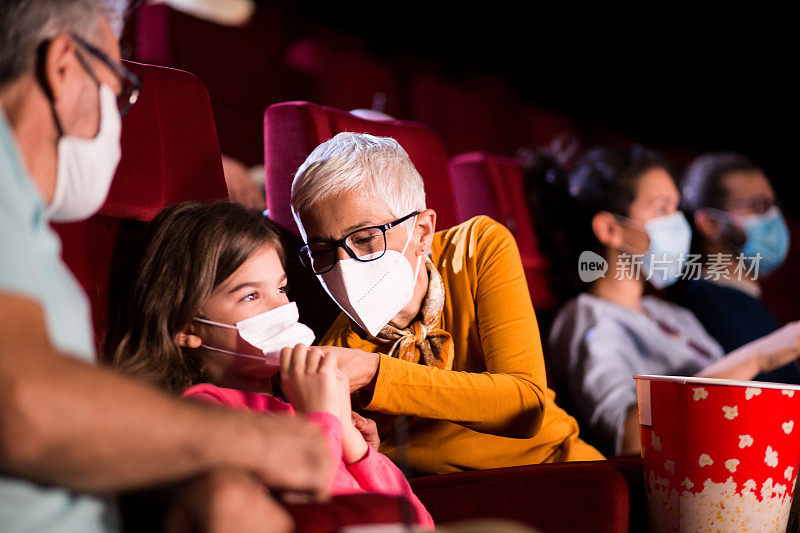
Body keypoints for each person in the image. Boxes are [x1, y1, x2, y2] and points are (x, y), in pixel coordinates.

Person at [0, 2, 331, 531]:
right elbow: (18, 402)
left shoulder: (28, 214)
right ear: (64, 65)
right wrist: (259, 441)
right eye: (118, 88)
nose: (119, 117)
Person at [289, 132, 604, 476]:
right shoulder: (333, 358)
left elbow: (525, 405)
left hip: (564, 464)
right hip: (463, 503)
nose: (345, 268)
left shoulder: (476, 249)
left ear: (422, 232)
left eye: (366, 239)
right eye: (321, 252)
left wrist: (375, 371)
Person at [110, 201, 434, 528]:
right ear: (186, 327)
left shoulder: (292, 408)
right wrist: (320, 419)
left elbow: (415, 520)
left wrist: (349, 440)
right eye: (251, 296)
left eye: (281, 288)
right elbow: (300, 513)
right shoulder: (203, 415)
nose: (281, 307)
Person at [543, 145, 800, 456]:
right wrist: (759, 356)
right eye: (662, 209)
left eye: (678, 209)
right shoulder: (588, 319)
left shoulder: (668, 314)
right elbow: (628, 438)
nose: (678, 224)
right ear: (610, 229)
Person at [676, 151, 800, 382]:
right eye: (758, 206)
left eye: (773, 204)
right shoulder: (709, 304)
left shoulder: (745, 298)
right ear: (712, 225)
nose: (774, 217)